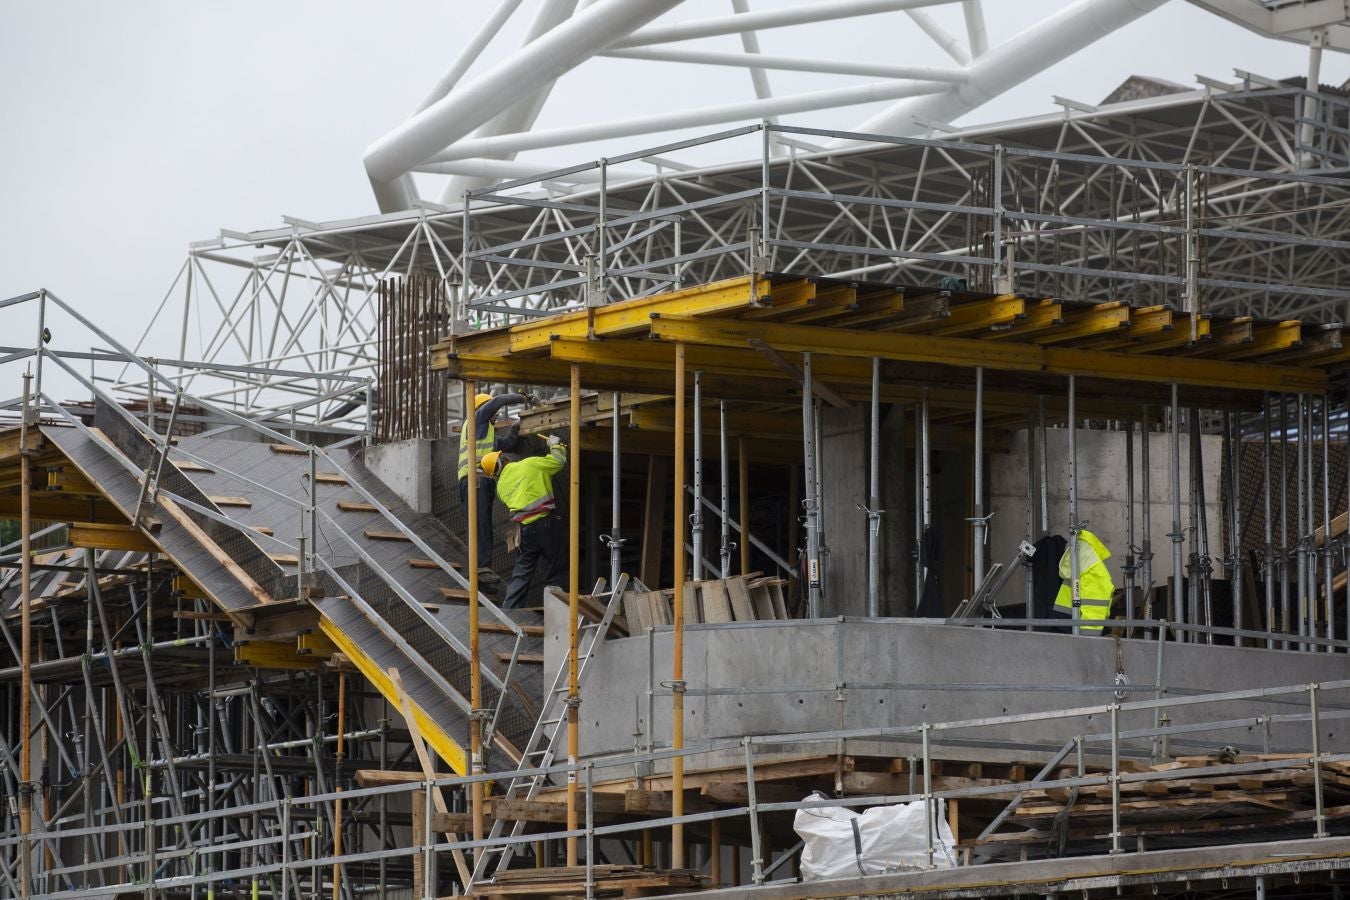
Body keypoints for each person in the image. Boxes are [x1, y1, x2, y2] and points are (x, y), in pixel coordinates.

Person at [480, 435, 566, 609]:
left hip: (526, 531)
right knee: (555, 568)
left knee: (522, 573)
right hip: (546, 523)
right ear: (503, 458)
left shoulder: (501, 488)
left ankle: (510, 611)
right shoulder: (529, 464)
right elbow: (558, 461)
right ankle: (556, 610)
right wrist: (555, 446)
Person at [458, 391, 527, 580]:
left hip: (479, 483)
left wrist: (516, 427)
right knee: (481, 524)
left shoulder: (484, 434)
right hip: (475, 481)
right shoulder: (477, 419)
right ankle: (481, 568)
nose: (495, 416)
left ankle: (482, 568)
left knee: (483, 524)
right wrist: (523, 398)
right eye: (492, 412)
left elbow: (508, 445)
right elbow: (498, 401)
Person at [1050, 529, 1115, 635]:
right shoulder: (1090, 569)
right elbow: (1094, 609)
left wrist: (1085, 642)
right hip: (1073, 628)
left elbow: (1093, 608)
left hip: (1065, 625)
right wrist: (1087, 641)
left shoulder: (1083, 568)